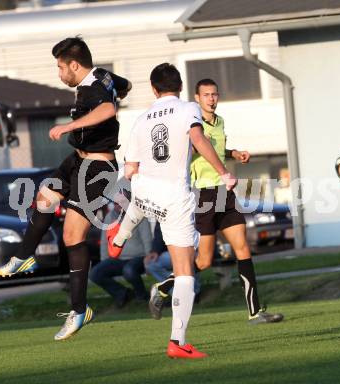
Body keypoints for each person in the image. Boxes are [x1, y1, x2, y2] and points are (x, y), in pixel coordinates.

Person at [0, 36, 132, 340]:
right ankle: (24, 256)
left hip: (96, 169)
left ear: (74, 65)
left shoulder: (95, 87)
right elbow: (125, 86)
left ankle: (79, 311)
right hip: (76, 161)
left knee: (72, 236)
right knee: (43, 197)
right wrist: (118, 92)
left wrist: (69, 126)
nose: (59, 74)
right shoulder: (103, 76)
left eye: (60, 68)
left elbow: (107, 109)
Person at [108, 63, 237, 359]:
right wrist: (223, 172)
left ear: (154, 89)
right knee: (185, 272)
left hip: (144, 190)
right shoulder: (187, 108)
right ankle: (177, 342)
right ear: (180, 87)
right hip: (175, 196)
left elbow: (130, 170)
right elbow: (197, 138)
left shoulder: (140, 120)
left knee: (140, 202)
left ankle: (119, 235)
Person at [149, 78, 284, 325]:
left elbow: (216, 148)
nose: (211, 99)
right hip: (203, 195)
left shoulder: (219, 121)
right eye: (206, 95)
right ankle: (162, 287)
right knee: (204, 260)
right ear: (197, 98)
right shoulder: (192, 124)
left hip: (225, 192)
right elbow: (196, 148)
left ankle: (254, 312)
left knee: (242, 248)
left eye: (214, 94)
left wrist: (234, 153)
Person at [90, 192, 151, 307]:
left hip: (138, 257)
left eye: (122, 202)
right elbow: (104, 242)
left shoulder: (139, 215)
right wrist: (104, 261)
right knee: (95, 273)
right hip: (117, 259)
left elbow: (147, 237)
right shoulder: (109, 217)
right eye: (116, 203)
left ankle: (142, 296)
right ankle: (123, 294)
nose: (119, 205)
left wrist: (148, 258)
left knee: (129, 270)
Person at [144, 222, 201, 319]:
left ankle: (164, 289)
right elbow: (159, 232)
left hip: (196, 250)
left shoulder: (198, 209)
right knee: (151, 264)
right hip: (177, 252)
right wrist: (155, 251)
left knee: (202, 262)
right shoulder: (169, 209)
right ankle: (179, 294)